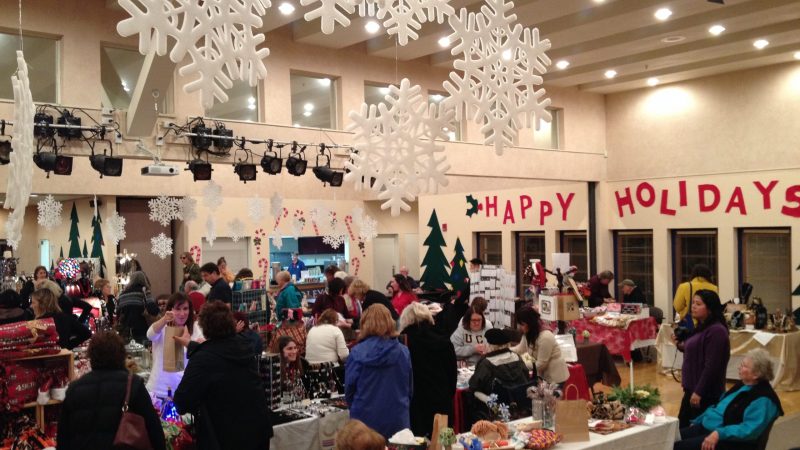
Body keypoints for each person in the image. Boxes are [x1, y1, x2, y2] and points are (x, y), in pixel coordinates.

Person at [174, 301, 272, 450]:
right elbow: (219, 351)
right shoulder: (244, 346)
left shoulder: (203, 359)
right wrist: (192, 345)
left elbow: (182, 401)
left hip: (225, 436)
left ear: (204, 327)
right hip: (257, 430)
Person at [56, 331, 166, 450]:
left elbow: (63, 438)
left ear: (92, 356)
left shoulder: (74, 389)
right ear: (121, 354)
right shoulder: (133, 384)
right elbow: (154, 431)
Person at [674, 349, 784, 450]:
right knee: (668, 438)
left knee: (675, 447)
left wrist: (719, 433)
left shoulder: (764, 399)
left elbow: (749, 430)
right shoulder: (743, 384)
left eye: (744, 366)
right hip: (707, 427)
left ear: (756, 374)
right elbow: (718, 407)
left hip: (728, 440)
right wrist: (699, 420)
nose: (739, 368)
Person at [346, 304, 412, 439]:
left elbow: (349, 392)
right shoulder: (403, 352)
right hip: (397, 418)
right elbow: (409, 389)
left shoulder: (356, 353)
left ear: (364, 324)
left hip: (364, 421)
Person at [400, 302, 457, 438]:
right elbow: (452, 374)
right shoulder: (443, 338)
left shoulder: (403, 341)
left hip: (415, 405)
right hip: (441, 401)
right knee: (444, 443)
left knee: (418, 443)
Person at [675, 289, 730, 428]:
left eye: (698, 304)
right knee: (681, 430)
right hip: (692, 388)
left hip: (705, 393)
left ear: (710, 308)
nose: (693, 306)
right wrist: (679, 344)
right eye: (693, 303)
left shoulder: (717, 331)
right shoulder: (702, 326)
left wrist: (699, 391)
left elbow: (713, 365)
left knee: (693, 432)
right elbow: (696, 350)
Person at [146, 292, 203, 400]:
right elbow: (150, 335)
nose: (182, 313)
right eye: (178, 309)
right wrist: (164, 319)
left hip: (181, 391)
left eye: (185, 308)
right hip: (158, 390)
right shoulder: (162, 326)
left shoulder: (194, 328)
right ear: (171, 309)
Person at [469, 328, 529, 420]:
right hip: (520, 402)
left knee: (474, 392)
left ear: (490, 345)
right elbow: (526, 376)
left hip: (497, 404)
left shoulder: (486, 362)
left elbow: (474, 384)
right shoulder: (516, 356)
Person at [511, 305, 569, 385]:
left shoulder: (545, 337)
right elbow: (520, 349)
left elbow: (541, 365)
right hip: (543, 375)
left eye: (522, 324)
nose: (520, 327)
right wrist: (505, 351)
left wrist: (521, 362)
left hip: (555, 378)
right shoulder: (528, 333)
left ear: (530, 323)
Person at [116, 271, 159, 343]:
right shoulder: (144, 291)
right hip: (141, 329)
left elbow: (118, 312)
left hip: (125, 331)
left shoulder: (122, 294)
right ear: (144, 279)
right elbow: (153, 310)